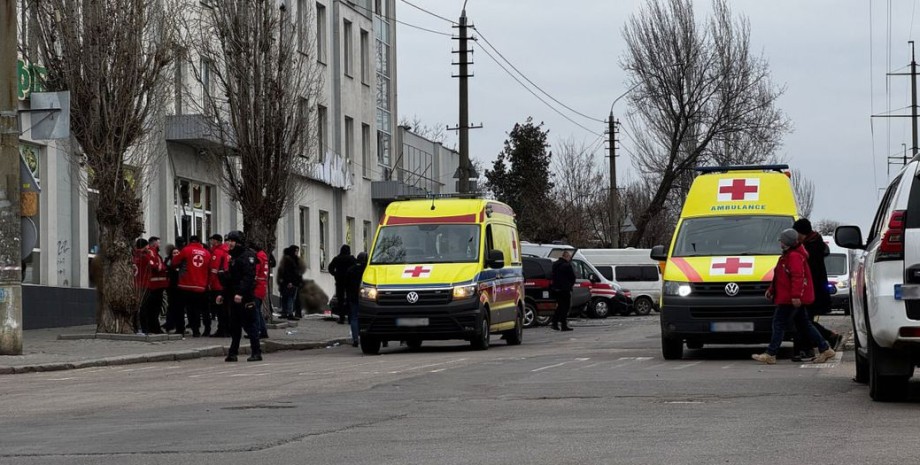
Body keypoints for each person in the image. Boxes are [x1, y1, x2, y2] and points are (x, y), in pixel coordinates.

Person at [753, 229, 836, 365]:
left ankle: (771, 353)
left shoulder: (794, 257)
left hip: (789, 298)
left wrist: (796, 296)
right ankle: (824, 348)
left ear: (786, 242)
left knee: (778, 323)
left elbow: (798, 277)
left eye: (781, 240)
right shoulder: (789, 256)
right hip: (790, 297)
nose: (780, 242)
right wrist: (771, 289)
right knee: (805, 324)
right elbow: (780, 277)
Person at [791, 218, 842, 361]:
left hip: (812, 290)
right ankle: (809, 348)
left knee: (803, 320)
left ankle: (826, 339)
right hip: (814, 289)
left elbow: (808, 271)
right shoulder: (814, 243)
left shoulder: (810, 248)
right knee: (804, 319)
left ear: (802, 233)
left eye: (797, 233)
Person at [222, 230, 262, 362]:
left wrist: (240, 293)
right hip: (234, 296)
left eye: (232, 241)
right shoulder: (234, 257)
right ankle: (233, 353)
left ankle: (256, 352)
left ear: (238, 242)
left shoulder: (247, 256)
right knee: (235, 325)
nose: (229, 243)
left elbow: (248, 277)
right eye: (228, 241)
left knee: (250, 325)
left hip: (245, 297)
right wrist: (223, 293)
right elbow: (232, 278)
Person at [172, 235, 211, 337]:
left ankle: (180, 329)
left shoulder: (186, 250)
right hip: (200, 286)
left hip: (185, 285)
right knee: (196, 309)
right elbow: (209, 268)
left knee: (182, 308)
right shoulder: (206, 253)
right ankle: (196, 330)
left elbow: (174, 262)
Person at [135, 238, 167, 335]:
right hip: (146, 285)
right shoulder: (145, 255)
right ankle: (145, 329)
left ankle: (141, 328)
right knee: (144, 308)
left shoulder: (135, 255)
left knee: (141, 308)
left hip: (139, 285)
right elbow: (155, 266)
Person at [162, 237, 187, 334]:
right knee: (172, 307)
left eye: (177, 253)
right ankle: (170, 324)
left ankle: (180, 327)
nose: (176, 255)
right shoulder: (169, 263)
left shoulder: (182, 264)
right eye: (174, 253)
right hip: (172, 288)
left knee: (180, 309)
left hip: (181, 288)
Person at [208, 234, 231, 337]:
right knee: (226, 309)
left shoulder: (217, 252)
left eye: (212, 240)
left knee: (220, 309)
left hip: (218, 284)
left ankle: (222, 330)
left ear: (216, 241)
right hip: (226, 284)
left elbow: (214, 270)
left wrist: (210, 283)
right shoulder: (227, 252)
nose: (211, 242)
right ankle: (227, 329)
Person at [328, 245, 356, 324]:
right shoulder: (351, 259)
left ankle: (341, 318)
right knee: (349, 299)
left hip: (339, 281)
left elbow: (330, 268)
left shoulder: (337, 259)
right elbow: (356, 267)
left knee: (340, 300)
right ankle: (350, 318)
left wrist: (335, 274)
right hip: (350, 281)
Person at [345, 252, 368, 347]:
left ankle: (355, 339)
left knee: (354, 318)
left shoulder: (351, 270)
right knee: (368, 317)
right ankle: (380, 340)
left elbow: (346, 285)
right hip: (366, 297)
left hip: (353, 297)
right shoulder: (367, 270)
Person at [277, 245, 306, 320]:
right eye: (296, 251)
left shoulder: (293, 259)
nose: (297, 252)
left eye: (297, 251)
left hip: (292, 282)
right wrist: (289, 282)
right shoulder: (289, 260)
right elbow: (287, 272)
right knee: (290, 298)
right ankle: (289, 313)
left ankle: (285, 313)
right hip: (290, 282)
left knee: (288, 297)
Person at [550, 250, 576, 331]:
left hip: (556, 288)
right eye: (569, 257)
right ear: (566, 256)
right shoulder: (567, 266)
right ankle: (563, 325)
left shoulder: (555, 264)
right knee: (565, 307)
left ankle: (554, 323)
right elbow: (572, 277)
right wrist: (570, 285)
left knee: (560, 306)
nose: (570, 259)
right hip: (565, 289)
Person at [251, 241, 270, 339]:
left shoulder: (258, 258)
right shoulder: (263, 256)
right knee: (258, 310)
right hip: (262, 285)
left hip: (258, 286)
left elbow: (255, 271)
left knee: (256, 311)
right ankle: (263, 331)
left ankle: (258, 331)